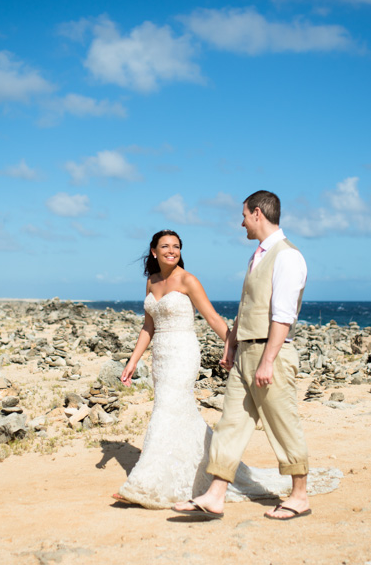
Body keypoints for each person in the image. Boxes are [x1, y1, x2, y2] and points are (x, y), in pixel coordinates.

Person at [114, 229, 300, 509]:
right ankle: (188, 470)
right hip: (161, 357)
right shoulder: (151, 282)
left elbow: (212, 317)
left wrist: (232, 344)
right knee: (171, 412)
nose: (171, 251)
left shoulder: (188, 280)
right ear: (153, 251)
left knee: (167, 410)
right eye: (165, 246)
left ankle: (144, 482)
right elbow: (148, 326)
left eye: (176, 247)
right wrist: (133, 360)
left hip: (183, 353)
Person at [173, 189, 312, 521]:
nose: (241, 222)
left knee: (282, 423)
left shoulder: (288, 256)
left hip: (270, 354)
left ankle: (300, 495)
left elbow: (283, 315)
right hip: (246, 352)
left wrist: (267, 361)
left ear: (258, 214)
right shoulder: (258, 255)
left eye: (244, 215)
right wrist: (231, 344)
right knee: (230, 423)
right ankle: (216, 495)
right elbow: (248, 307)